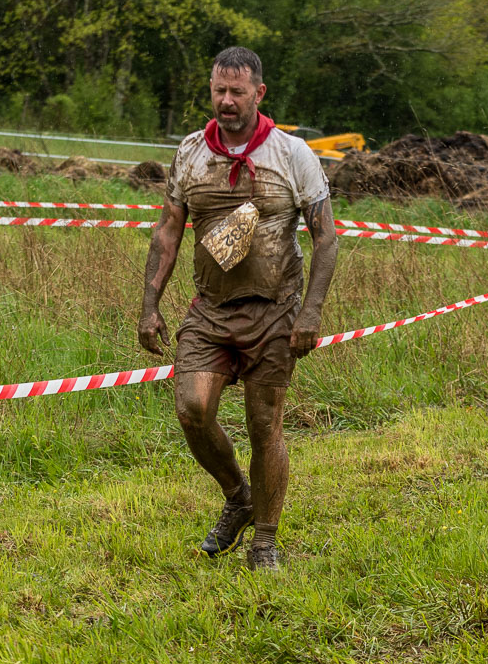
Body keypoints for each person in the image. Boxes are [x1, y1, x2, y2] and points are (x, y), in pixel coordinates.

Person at [138, 46, 338, 571]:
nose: (226, 101)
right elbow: (168, 231)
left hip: (274, 311)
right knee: (192, 409)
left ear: (259, 93)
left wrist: (310, 313)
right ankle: (238, 497)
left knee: (264, 425)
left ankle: (265, 541)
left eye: (237, 92)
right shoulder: (190, 152)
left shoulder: (292, 154)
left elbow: (326, 238)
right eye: (219, 91)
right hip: (210, 310)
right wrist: (149, 305)